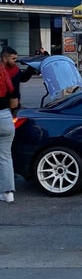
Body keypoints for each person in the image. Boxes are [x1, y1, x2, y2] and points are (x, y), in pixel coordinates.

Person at [0, 54, 19, 202]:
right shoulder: (8, 80)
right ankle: (8, 193)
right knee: (5, 157)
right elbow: (14, 105)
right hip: (5, 118)